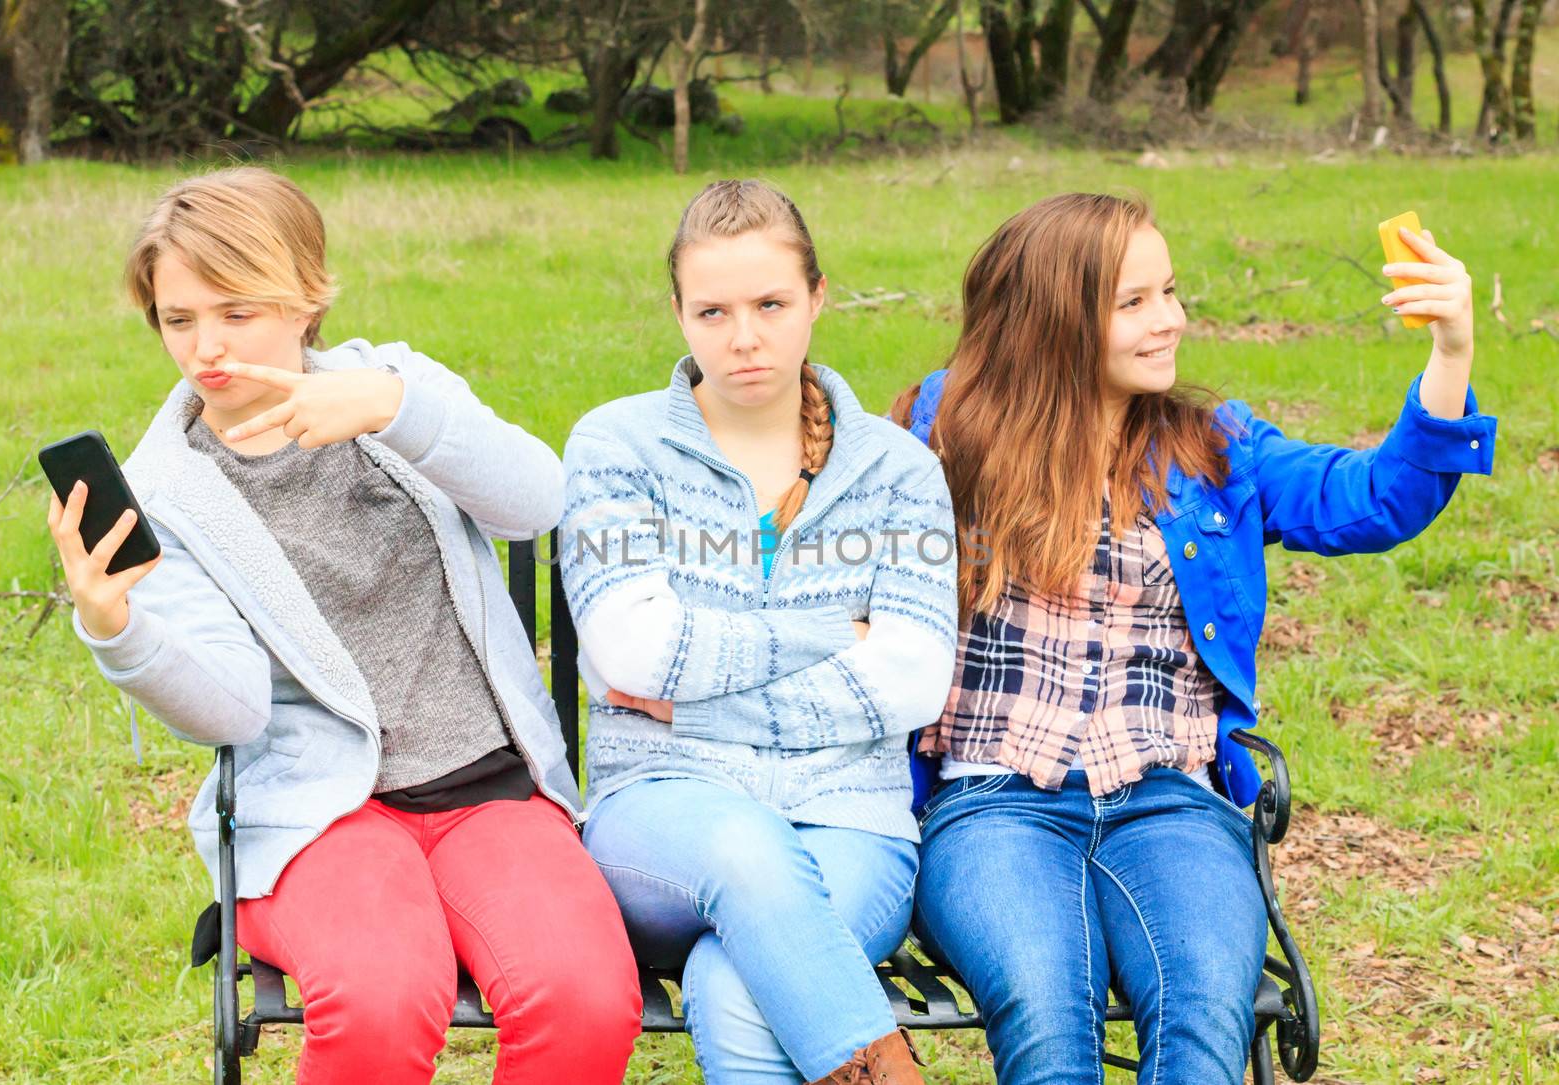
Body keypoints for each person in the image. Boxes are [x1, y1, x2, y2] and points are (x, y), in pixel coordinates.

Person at [48, 166, 641, 1085]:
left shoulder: (390, 385)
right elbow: (235, 709)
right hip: (322, 812)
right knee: (377, 1002)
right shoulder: (169, 490)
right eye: (178, 318)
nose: (205, 347)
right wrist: (117, 625)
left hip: (488, 787)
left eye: (236, 311)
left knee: (585, 1001)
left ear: (305, 293)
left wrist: (396, 410)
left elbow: (535, 499)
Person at [893, 192, 1495, 1085]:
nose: (1170, 320)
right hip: (992, 804)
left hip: (1169, 802)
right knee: (1050, 1018)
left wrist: (1451, 348)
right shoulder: (947, 430)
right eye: (1133, 302)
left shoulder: (1215, 449)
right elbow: (810, 515)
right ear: (1054, 317)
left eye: (1169, 292)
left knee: (1204, 1014)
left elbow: (1373, 498)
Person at [559, 179, 958, 1085]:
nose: (744, 337)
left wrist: (689, 703)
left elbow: (913, 678)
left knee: (734, 981)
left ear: (818, 297)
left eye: (771, 304)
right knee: (745, 849)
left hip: (848, 820)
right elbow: (633, 652)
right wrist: (835, 631)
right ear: (679, 314)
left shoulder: (898, 470)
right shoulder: (617, 447)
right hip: (661, 812)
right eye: (714, 310)